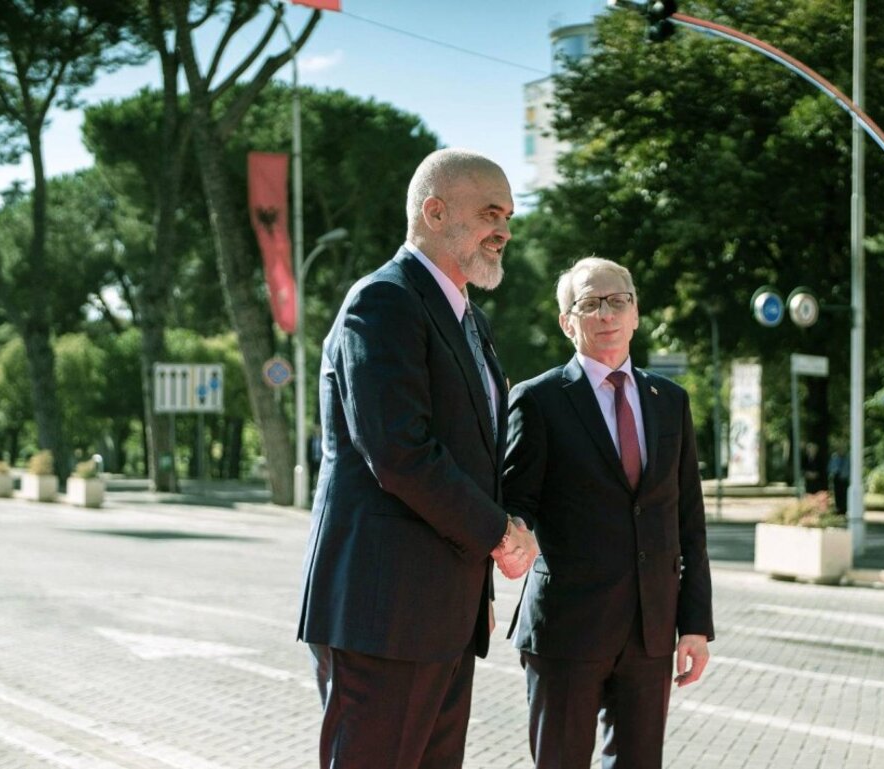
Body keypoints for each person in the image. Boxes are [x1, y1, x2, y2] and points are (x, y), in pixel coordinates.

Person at [296, 148, 538, 769]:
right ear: (434, 211)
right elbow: (401, 454)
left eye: (508, 216)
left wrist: (482, 567)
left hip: (442, 613)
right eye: (490, 213)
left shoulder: (470, 321)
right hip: (384, 615)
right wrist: (497, 534)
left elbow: (477, 454)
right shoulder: (382, 302)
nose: (504, 230)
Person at [502, 256, 715, 769]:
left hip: (650, 632)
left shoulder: (671, 401)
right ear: (567, 321)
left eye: (618, 300)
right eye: (590, 303)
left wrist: (695, 624)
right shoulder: (538, 401)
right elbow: (514, 508)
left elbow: (688, 520)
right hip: (567, 630)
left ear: (636, 312)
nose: (607, 314)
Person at [828, 444, 849, 516]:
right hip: (836, 477)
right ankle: (838, 508)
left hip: (844, 478)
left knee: (844, 494)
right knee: (837, 494)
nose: (841, 451)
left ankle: (844, 509)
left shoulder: (847, 458)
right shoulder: (834, 457)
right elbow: (830, 467)